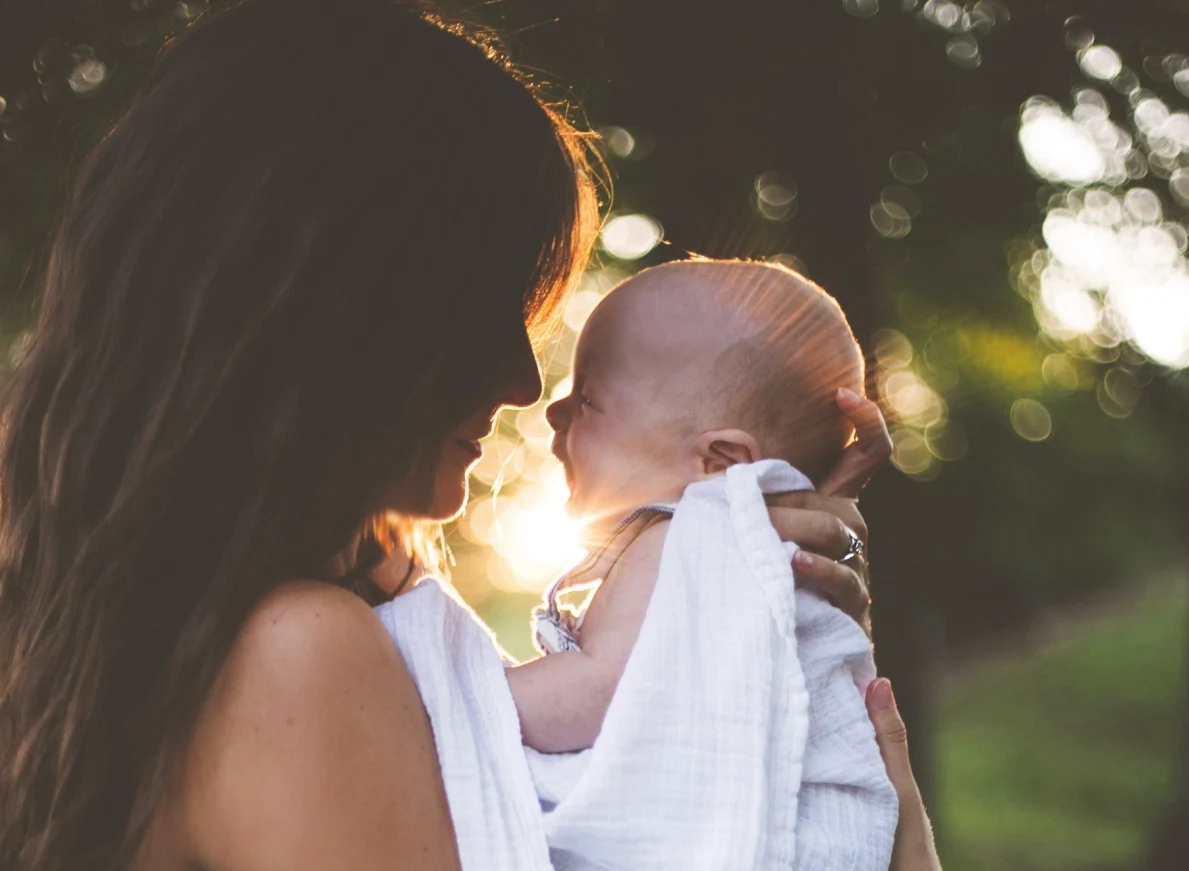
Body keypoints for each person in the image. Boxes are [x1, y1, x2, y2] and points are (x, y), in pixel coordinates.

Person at [0, 1, 942, 870]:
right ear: (336, 302)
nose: (523, 383)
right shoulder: (298, 655)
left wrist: (735, 558)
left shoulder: (104, 637)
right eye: (486, 311)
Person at [505, 259, 897, 870]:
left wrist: (455, 685)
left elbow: (596, 695)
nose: (553, 412)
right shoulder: (747, 552)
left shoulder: (682, 536)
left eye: (587, 398)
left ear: (719, 463)